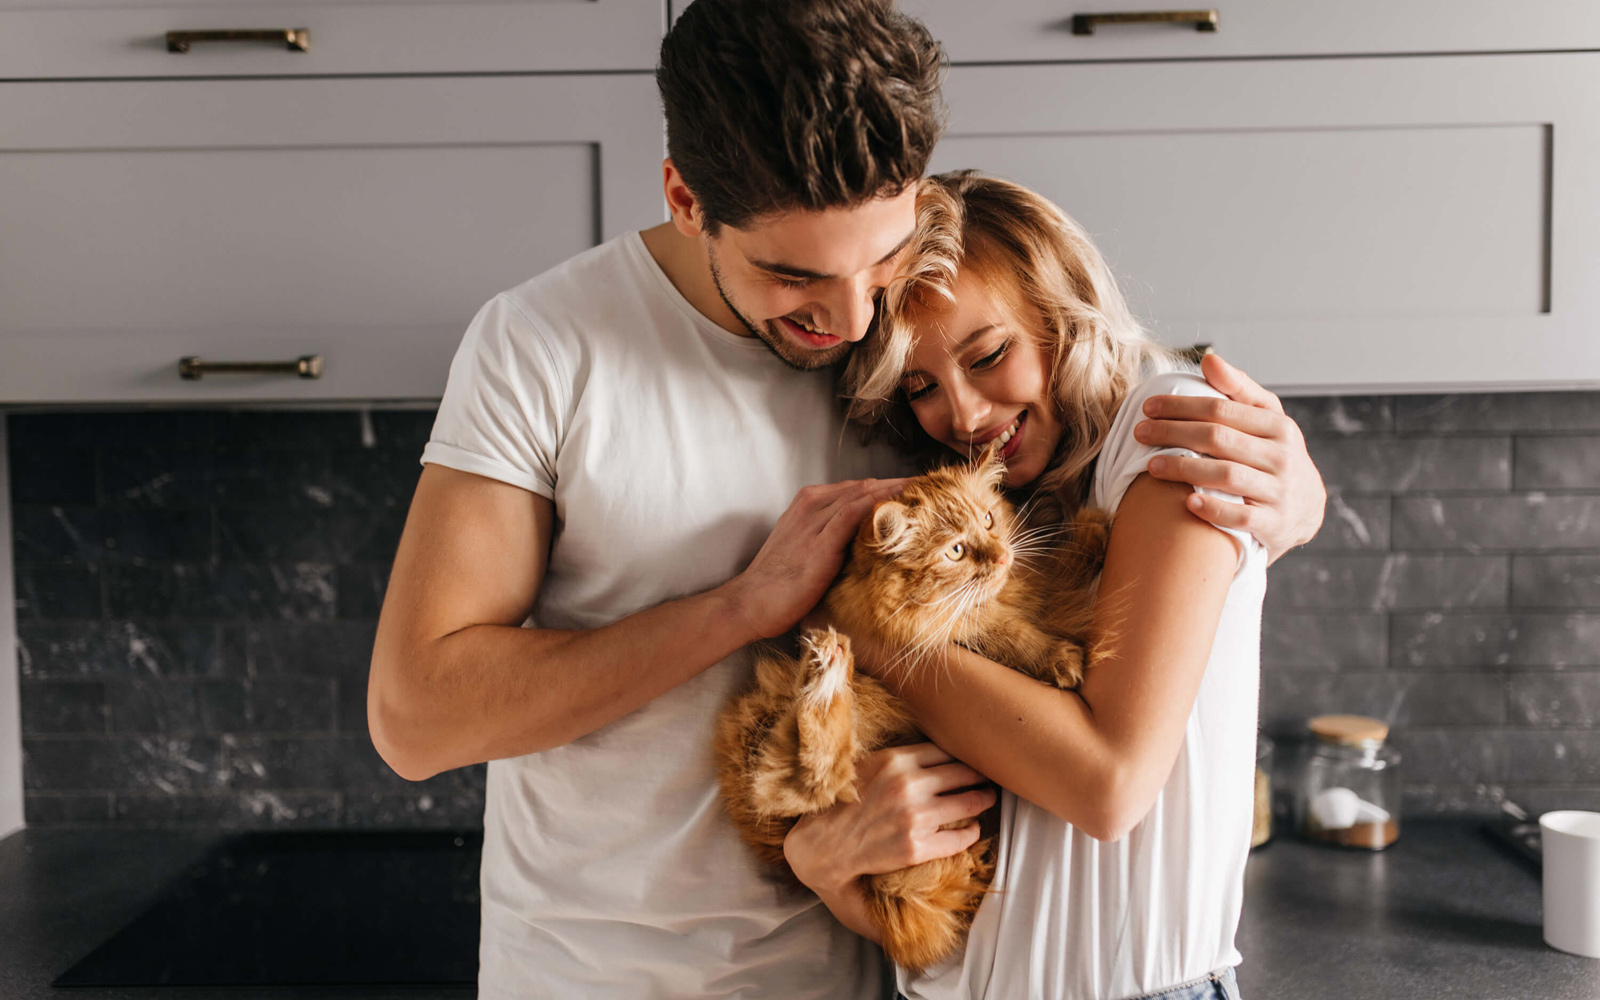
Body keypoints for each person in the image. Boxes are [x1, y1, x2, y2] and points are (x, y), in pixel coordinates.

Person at [365, 2, 1324, 997]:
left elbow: (1073, 567)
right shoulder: (543, 344)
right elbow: (417, 716)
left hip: (879, 971)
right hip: (600, 975)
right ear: (686, 200)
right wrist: (743, 607)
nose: (851, 316)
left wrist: (1283, 504)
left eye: (882, 260)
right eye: (795, 279)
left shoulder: (920, 350)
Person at [783, 170, 1282, 1000]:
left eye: (989, 355)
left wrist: (868, 633)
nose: (966, 416)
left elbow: (1107, 784)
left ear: (1063, 313)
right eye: (921, 388)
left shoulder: (1167, 427)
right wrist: (827, 868)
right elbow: (950, 920)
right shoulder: (985, 508)